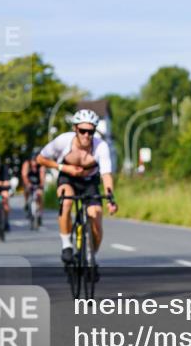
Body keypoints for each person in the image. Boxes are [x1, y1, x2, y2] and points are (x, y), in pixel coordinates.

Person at [37, 109, 118, 276]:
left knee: (95, 216)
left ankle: (90, 257)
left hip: (90, 182)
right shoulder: (63, 141)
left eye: (90, 131)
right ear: (75, 128)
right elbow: (40, 159)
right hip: (68, 178)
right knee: (66, 202)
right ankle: (66, 244)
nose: (86, 135)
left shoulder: (100, 146)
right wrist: (64, 167)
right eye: (82, 131)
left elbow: (106, 174)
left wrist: (110, 198)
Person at [21, 150, 45, 223]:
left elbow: (42, 176)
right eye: (33, 160)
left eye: (35, 161)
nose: (34, 163)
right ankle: (26, 203)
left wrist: (41, 185)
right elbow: (24, 175)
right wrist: (28, 184)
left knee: (39, 195)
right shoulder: (26, 164)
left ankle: (40, 214)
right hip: (28, 182)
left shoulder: (41, 166)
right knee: (26, 190)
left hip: (37, 183)